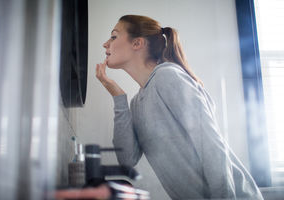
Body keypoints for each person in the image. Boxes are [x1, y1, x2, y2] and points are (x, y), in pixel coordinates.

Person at [96, 15, 263, 199]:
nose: (106, 44)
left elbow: (211, 146)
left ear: (137, 43)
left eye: (113, 37)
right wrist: (118, 97)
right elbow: (127, 159)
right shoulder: (138, 102)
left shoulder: (168, 77)